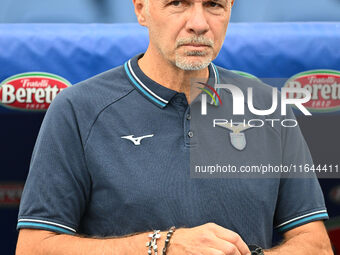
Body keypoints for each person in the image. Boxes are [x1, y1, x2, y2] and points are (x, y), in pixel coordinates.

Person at [16, 0, 333, 254]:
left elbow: (316, 244)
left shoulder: (267, 106)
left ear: (231, 9)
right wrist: (161, 245)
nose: (198, 23)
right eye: (178, 3)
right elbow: (34, 248)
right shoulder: (77, 108)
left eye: (213, 5)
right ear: (141, 9)